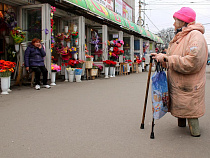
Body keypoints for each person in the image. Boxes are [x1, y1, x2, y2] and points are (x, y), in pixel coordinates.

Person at [151, 7, 208, 137]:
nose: (173, 23)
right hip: (180, 83)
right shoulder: (182, 36)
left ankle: (195, 131)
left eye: (176, 20)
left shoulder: (195, 35)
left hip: (189, 84)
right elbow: (173, 57)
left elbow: (193, 62)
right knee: (183, 104)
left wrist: (167, 59)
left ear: (183, 22)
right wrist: (162, 58)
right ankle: (182, 123)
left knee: (190, 108)